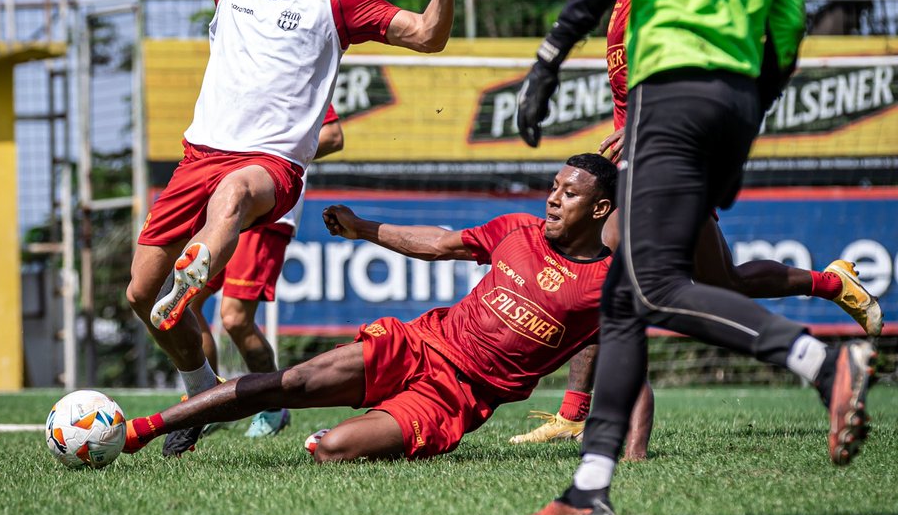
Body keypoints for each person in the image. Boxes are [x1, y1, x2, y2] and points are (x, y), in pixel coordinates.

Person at [515, 0, 876, 515]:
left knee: (652, 285)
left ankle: (819, 361)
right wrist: (746, 122)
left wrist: (548, 55)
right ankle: (591, 488)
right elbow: (788, 26)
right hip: (739, 94)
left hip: (670, 90)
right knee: (621, 294)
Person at [66, 0, 463, 456]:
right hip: (198, 156)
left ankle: (193, 281)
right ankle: (200, 391)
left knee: (233, 195)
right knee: (141, 292)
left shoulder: (334, 0)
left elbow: (425, 36)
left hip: (268, 167)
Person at [511, 0, 882, 445]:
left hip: (674, 157)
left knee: (609, 272)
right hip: (641, 165)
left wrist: (650, 125)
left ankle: (602, 433)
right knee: (722, 283)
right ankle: (831, 287)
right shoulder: (626, 1)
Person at [121, 154, 653, 462]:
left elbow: (632, 373)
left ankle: (369, 424)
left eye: (570, 194)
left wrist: (633, 459)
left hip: (456, 397)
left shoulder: (607, 285)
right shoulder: (518, 230)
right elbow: (438, 243)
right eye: (553, 188)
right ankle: (139, 431)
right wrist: (363, 229)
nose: (554, 199)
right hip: (419, 343)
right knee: (289, 383)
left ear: (601, 209)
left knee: (332, 451)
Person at [190, 106, 344, 448]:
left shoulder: (293, 68)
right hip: (226, 204)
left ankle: (274, 406)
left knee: (234, 319)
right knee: (187, 301)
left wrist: (267, 158)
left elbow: (333, 136)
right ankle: (206, 403)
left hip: (269, 209)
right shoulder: (237, 71)